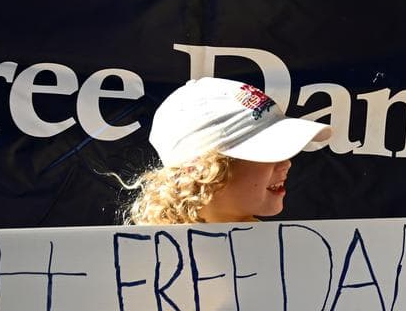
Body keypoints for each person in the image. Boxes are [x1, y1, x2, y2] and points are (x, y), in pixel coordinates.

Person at [124, 76, 330, 225]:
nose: (287, 163)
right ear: (202, 169)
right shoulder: (146, 263)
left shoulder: (288, 254)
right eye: (268, 151)